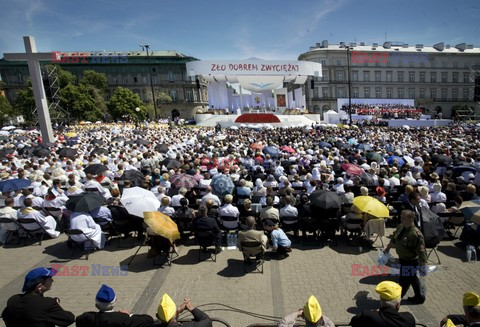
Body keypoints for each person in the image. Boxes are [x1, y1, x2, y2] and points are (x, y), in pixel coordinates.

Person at [1, 267, 75, 327]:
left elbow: (5, 316)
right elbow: (69, 319)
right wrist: (56, 305)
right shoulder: (47, 304)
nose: (52, 280)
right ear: (39, 286)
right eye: (49, 279)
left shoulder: (13, 300)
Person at [384, 210, 427, 304]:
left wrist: (423, 267)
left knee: (403, 282)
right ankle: (419, 297)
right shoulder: (401, 227)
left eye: (403, 218)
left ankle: (395, 301)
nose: (401, 220)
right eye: (401, 218)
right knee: (413, 279)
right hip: (402, 260)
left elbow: (422, 253)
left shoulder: (415, 234)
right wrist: (387, 248)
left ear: (411, 219)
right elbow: (395, 239)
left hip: (410, 262)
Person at [76, 284, 153, 326]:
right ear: (115, 301)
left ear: (96, 305)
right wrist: (129, 315)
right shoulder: (123, 319)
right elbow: (148, 319)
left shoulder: (86, 318)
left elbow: (77, 319)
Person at [350, 281, 415, 326]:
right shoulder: (409, 319)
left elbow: (353, 322)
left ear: (381, 302)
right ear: (398, 305)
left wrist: (374, 313)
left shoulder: (368, 316)